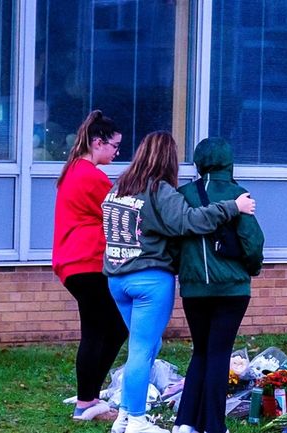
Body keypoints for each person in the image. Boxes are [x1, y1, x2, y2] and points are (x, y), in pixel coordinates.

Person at [102, 131, 255, 433]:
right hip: (148, 280)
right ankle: (136, 420)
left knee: (143, 345)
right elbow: (190, 222)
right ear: (167, 159)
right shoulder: (159, 191)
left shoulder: (118, 189)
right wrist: (233, 207)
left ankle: (123, 415)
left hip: (116, 279)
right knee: (142, 349)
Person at [172, 138, 265, 433]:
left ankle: (186, 422)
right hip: (232, 289)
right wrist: (251, 269)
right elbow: (253, 242)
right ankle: (213, 425)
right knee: (219, 353)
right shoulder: (239, 195)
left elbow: (173, 243)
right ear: (228, 162)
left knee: (200, 351)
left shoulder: (182, 194)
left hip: (194, 288)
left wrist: (184, 270)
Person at [52, 110, 128, 421]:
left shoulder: (73, 170)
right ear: (97, 142)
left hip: (73, 262)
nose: (116, 152)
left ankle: (90, 394)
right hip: (88, 262)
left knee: (105, 328)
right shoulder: (92, 176)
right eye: (115, 146)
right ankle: (86, 402)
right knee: (104, 330)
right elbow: (118, 214)